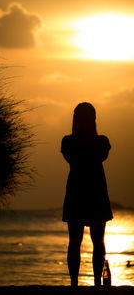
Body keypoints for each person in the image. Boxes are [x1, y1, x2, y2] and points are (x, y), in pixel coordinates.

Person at [61, 102, 113, 287]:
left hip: (78, 193)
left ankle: (76, 283)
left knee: (76, 241)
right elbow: (99, 156)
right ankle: (96, 283)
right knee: (96, 241)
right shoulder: (100, 142)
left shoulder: (69, 142)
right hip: (95, 193)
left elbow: (72, 158)